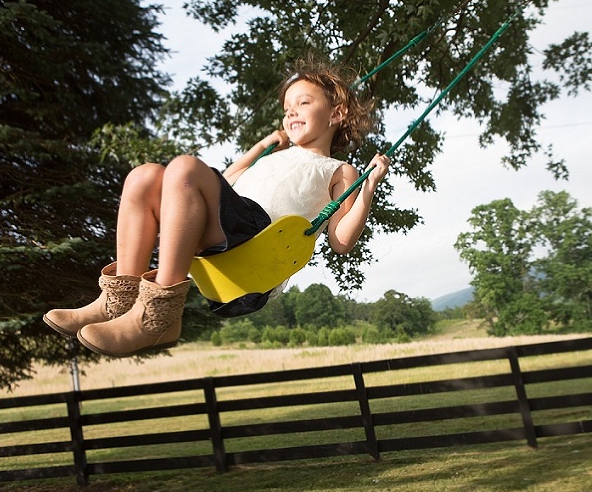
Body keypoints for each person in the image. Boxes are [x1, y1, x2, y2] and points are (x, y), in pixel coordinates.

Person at [43, 56, 390, 358]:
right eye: (287, 108)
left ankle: (158, 316)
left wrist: (368, 186)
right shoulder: (274, 157)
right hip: (229, 230)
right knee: (143, 176)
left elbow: (341, 241)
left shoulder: (339, 170)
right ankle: (118, 302)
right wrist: (263, 145)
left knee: (185, 168)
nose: (291, 112)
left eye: (303, 103)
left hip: (262, 244)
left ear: (337, 113)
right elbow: (226, 179)